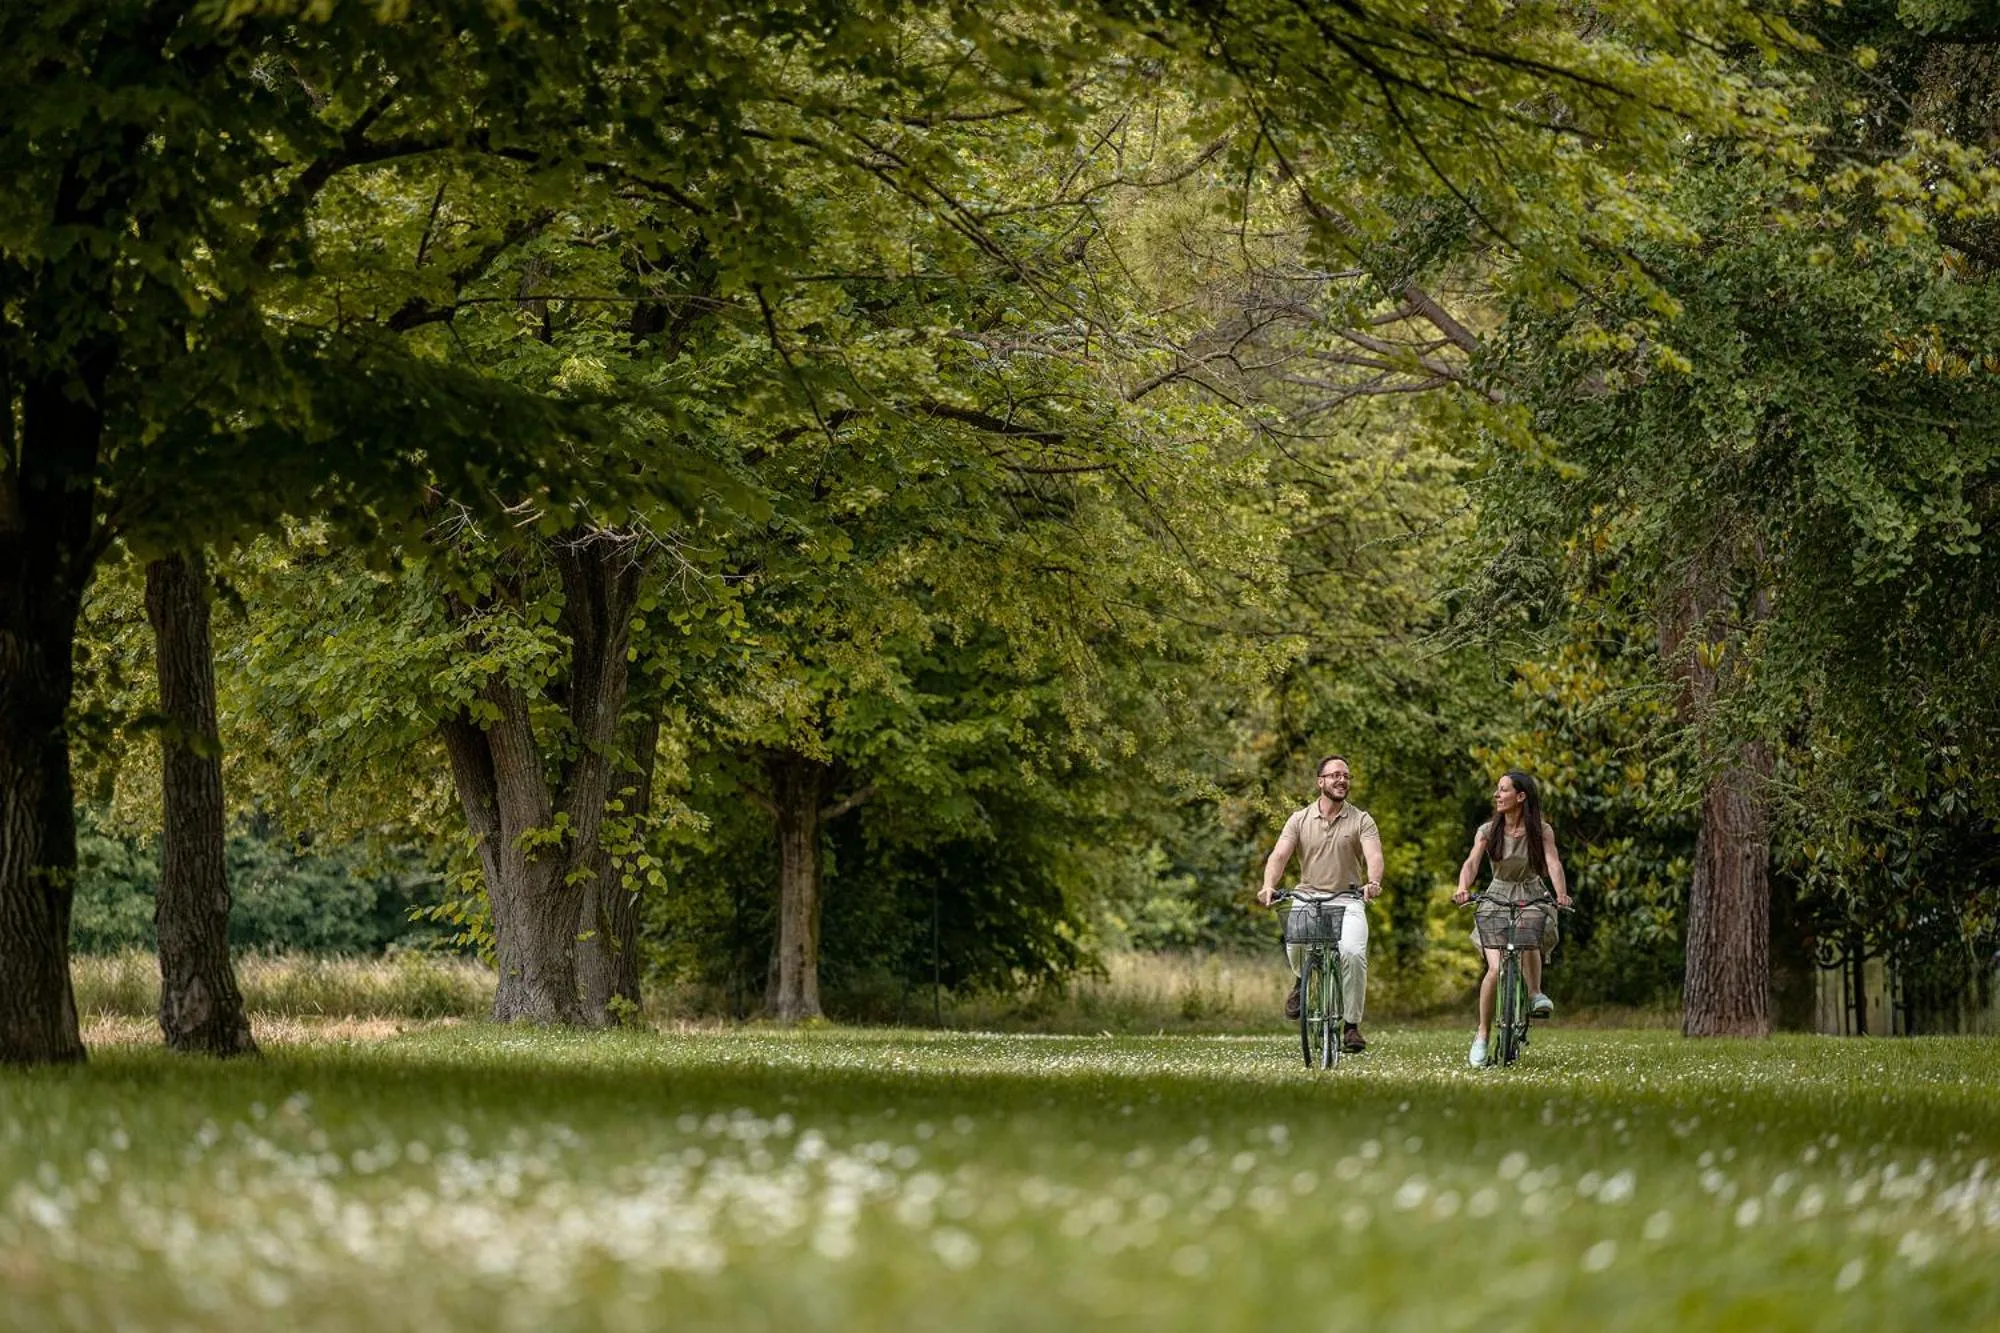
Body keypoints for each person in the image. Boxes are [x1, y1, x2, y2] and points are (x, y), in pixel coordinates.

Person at [1257, 755, 1384, 1052]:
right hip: (1307, 896)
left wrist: (1373, 881)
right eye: (1335, 775)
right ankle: (1301, 981)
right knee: (1295, 942)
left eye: (1346, 776)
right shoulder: (1299, 819)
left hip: (1348, 897)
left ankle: (1351, 1026)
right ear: (1321, 782)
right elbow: (1278, 857)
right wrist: (1268, 886)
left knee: (1352, 953)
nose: (1342, 780)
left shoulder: (1361, 819)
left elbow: (1374, 856)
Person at [1452, 769, 1570, 1067]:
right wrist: (1462, 887)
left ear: (1521, 797)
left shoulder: (1541, 830)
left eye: (1503, 790)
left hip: (1531, 891)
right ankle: (1481, 1034)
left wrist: (1561, 893)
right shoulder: (1487, 830)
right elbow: (1471, 863)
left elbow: (1553, 863)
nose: (1497, 794)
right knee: (1495, 970)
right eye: (1497, 789)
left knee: (1530, 928)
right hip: (1496, 896)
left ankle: (1534, 993)